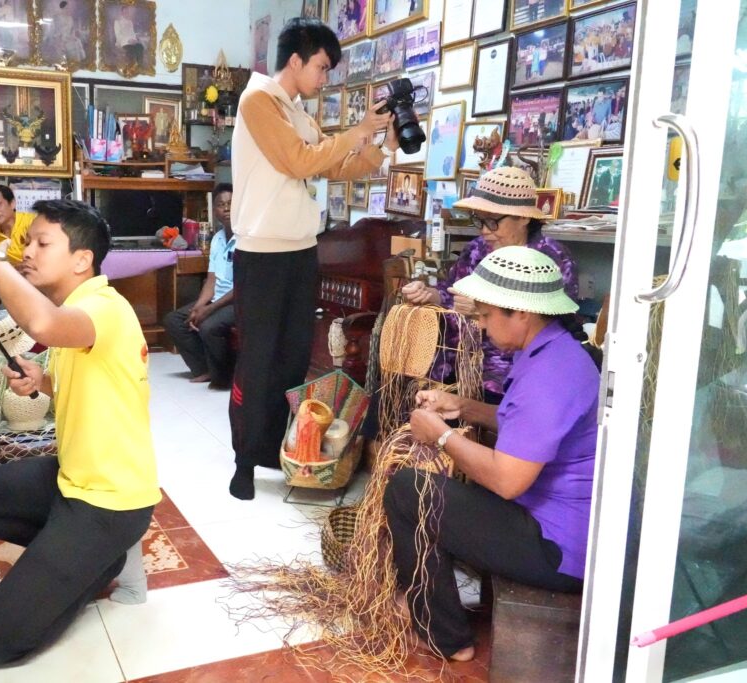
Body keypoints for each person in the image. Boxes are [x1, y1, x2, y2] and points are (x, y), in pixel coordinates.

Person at [0, 199, 160, 665]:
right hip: (69, 478)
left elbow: (42, 324)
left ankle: (99, 559)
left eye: (42, 243)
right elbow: (91, 380)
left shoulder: (104, 308)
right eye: (27, 242)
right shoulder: (77, 309)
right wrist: (43, 381)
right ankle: (84, 558)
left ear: (82, 259)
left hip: (111, 503)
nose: (28, 252)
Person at [385, 246, 597, 662]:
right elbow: (527, 427)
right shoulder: (555, 352)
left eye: (485, 315)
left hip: (558, 551)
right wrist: (464, 408)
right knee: (436, 489)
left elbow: (507, 480)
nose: (480, 325)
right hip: (562, 528)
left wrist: (442, 436)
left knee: (409, 490)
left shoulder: (549, 376)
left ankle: (444, 637)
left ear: (522, 313)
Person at [228, 17, 396, 500]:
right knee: (258, 359)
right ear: (296, 60)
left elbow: (332, 165)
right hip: (262, 254)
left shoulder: (297, 111)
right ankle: (244, 461)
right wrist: (357, 130)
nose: (325, 78)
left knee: (293, 358)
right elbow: (299, 161)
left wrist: (382, 146)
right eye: (322, 67)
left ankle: (280, 451)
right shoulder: (258, 101)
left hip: (301, 251)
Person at [400, 166, 578, 402]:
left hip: (505, 373)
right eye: (480, 221)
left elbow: (558, 325)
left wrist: (482, 312)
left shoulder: (551, 260)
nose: (484, 231)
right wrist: (430, 294)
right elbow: (451, 291)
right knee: (400, 393)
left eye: (493, 222)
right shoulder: (476, 250)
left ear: (523, 218)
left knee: (448, 410)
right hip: (454, 359)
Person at [163, 184, 236, 389]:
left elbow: (243, 287)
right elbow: (211, 280)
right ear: (215, 210)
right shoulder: (218, 239)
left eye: (231, 203)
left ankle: (224, 377)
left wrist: (209, 310)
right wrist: (199, 307)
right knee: (175, 320)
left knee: (208, 325)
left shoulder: (246, 240)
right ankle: (205, 369)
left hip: (238, 300)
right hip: (217, 298)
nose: (226, 208)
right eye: (221, 204)